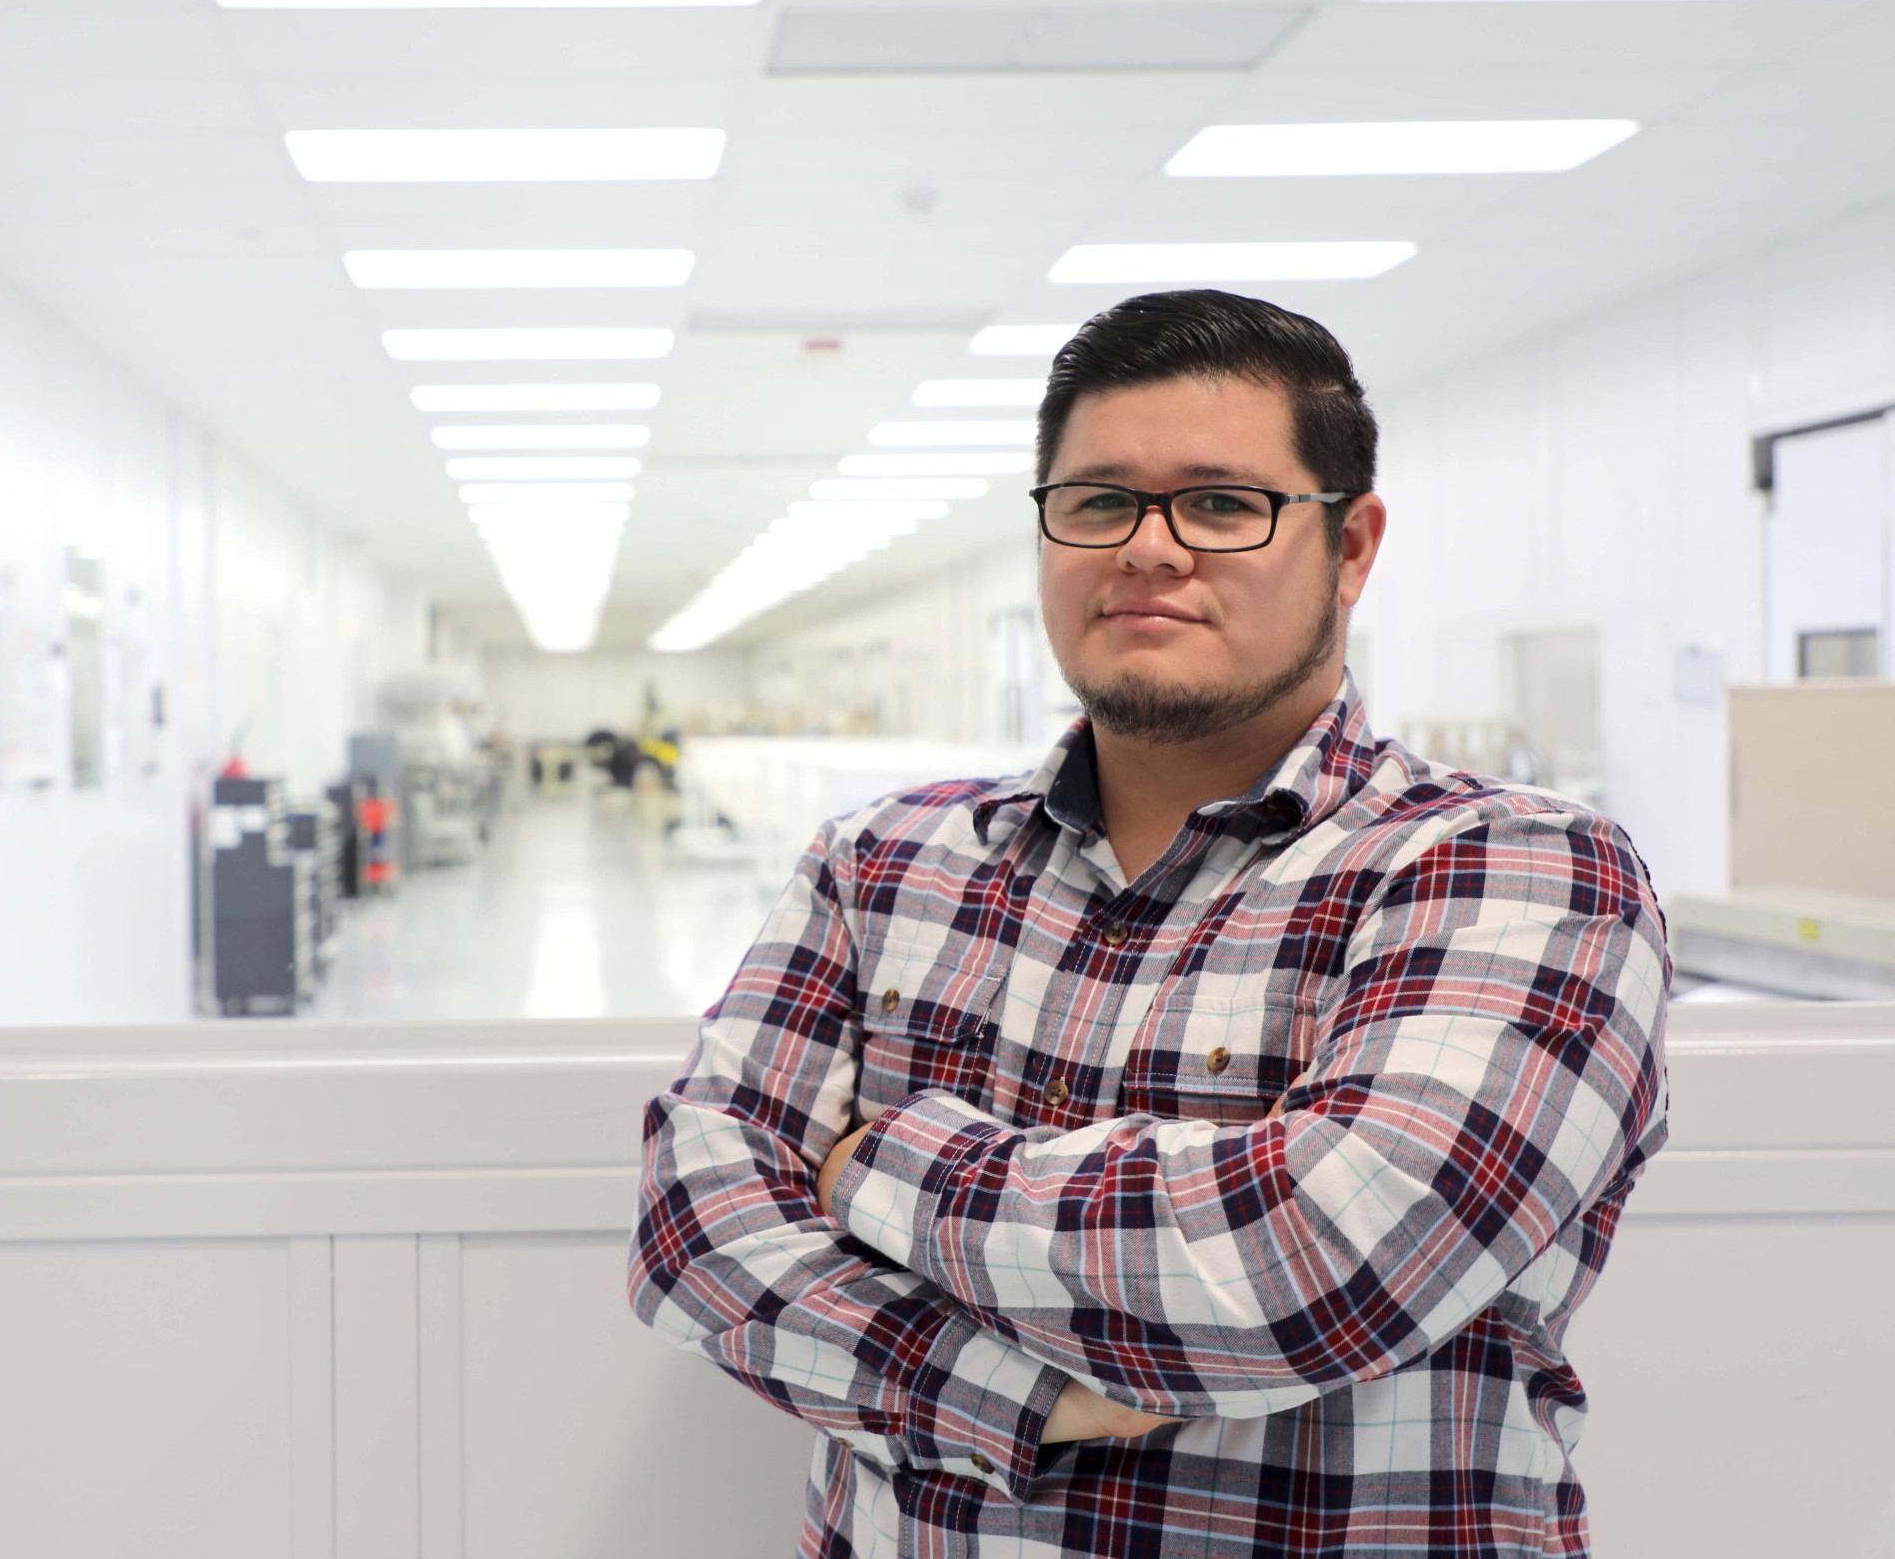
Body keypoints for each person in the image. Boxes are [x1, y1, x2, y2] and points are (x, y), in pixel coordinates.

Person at [626, 289, 1669, 1557]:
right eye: (1100, 500)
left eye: (1224, 503)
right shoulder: (884, 860)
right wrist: (1032, 1401)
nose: (1150, 548)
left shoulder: (1512, 870)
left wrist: (870, 1163)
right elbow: (692, 1228)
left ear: (1350, 547)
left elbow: (1309, 1273)